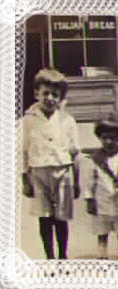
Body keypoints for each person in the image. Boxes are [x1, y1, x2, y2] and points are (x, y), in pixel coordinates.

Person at [22, 68, 81, 260]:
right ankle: (50, 257)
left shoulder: (67, 120)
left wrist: (77, 181)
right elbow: (22, 151)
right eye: (45, 93)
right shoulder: (27, 121)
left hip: (62, 172)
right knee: (44, 217)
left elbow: (75, 153)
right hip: (38, 174)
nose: (49, 98)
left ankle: (62, 257)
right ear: (36, 93)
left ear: (61, 97)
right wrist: (25, 179)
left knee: (61, 218)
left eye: (55, 95)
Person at [83, 113, 118, 260]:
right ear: (99, 138)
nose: (108, 141)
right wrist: (89, 199)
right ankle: (102, 255)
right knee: (102, 230)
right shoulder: (95, 159)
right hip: (102, 201)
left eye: (112, 138)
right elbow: (89, 180)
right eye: (104, 137)